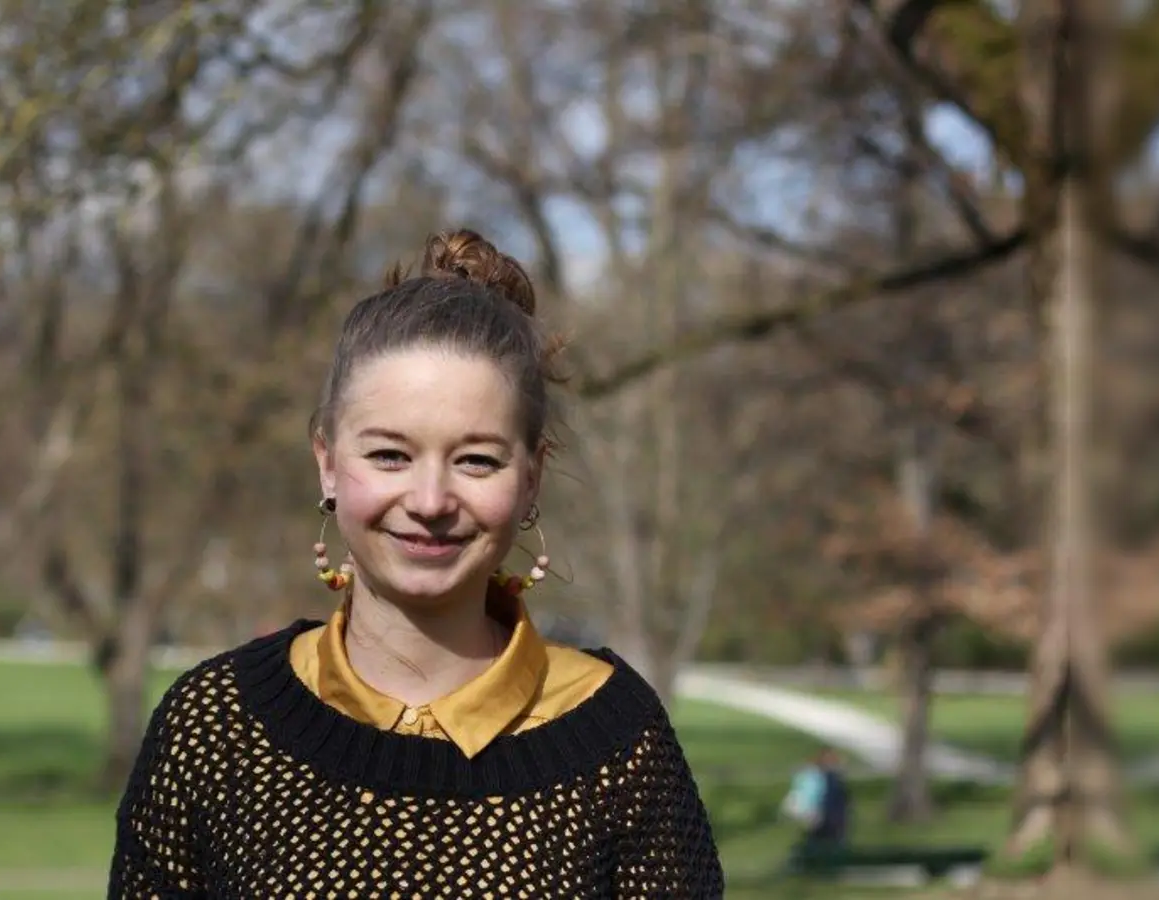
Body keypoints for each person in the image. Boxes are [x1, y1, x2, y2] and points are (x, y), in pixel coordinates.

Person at [106, 229, 725, 898]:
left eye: (477, 461)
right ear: (328, 461)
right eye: (390, 456)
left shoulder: (616, 739)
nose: (431, 501)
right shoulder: (213, 727)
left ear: (532, 478)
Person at [782, 747, 851, 862]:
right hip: (823, 815)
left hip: (832, 816)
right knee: (820, 839)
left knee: (829, 840)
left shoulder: (830, 778)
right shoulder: (818, 777)